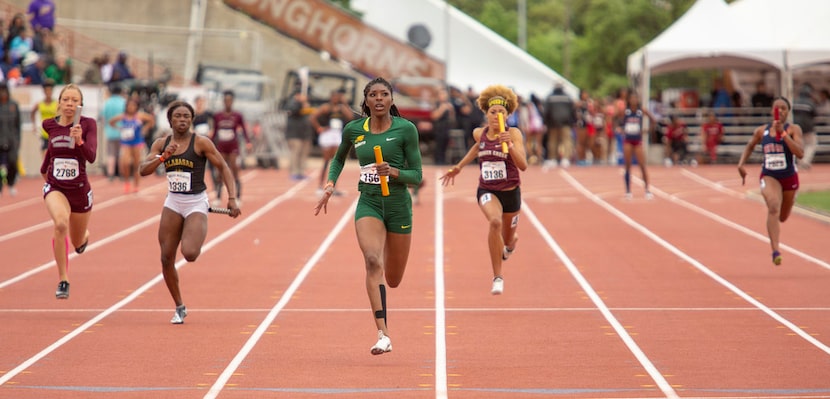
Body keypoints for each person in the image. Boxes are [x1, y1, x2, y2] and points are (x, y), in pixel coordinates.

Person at [313, 77, 422, 355]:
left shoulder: (406, 129)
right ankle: (383, 333)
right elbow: (338, 159)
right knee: (373, 261)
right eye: (373, 94)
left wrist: (395, 172)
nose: (379, 99)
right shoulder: (353, 130)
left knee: (394, 278)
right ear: (367, 100)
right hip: (369, 203)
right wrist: (329, 185)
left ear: (391, 99)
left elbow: (418, 176)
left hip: (398, 205)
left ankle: (388, 265)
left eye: (384, 94)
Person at [139, 100, 241, 324]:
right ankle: (179, 306)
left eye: (186, 116)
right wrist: (163, 157)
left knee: (190, 253)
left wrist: (231, 198)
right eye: (178, 116)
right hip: (173, 202)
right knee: (166, 257)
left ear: (192, 120)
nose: (182, 120)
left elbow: (223, 166)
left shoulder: (201, 143)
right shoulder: (161, 143)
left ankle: (192, 229)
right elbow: (143, 170)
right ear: (170, 120)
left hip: (196, 202)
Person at [440, 85, 527, 296]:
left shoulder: (513, 134)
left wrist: (511, 146)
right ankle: (497, 277)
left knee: (507, 238)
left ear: (507, 116)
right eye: (493, 112)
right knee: (494, 222)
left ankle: (511, 243)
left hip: (511, 193)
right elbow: (476, 148)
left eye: (502, 112)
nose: (497, 115)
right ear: (486, 114)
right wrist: (458, 167)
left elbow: (523, 165)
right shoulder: (480, 133)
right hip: (488, 190)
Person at [40, 84, 96, 299]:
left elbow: (91, 156)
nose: (70, 104)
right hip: (56, 187)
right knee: (60, 223)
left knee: (77, 241)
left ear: (80, 105)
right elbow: (52, 152)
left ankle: (84, 237)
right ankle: (63, 280)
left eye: (74, 100)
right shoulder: (49, 125)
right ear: (60, 103)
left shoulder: (88, 124)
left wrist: (80, 140)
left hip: (80, 190)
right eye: (66, 99)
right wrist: (45, 173)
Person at [737, 97, 804, 266]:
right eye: (777, 108)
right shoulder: (762, 131)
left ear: (788, 112)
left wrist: (783, 134)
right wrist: (741, 164)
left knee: (782, 217)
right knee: (773, 207)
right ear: (771, 111)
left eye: (783, 108)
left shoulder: (793, 129)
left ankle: (790, 198)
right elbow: (750, 145)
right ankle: (775, 250)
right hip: (769, 175)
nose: (780, 111)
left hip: (789, 177)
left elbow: (800, 153)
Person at [211, 90, 251, 206]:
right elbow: (215, 132)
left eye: (230, 101)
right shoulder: (218, 116)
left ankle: (237, 197)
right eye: (226, 100)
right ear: (223, 101)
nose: (228, 103)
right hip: (221, 147)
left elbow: (243, 129)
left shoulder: (237, 116)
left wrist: (248, 142)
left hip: (233, 146)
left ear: (232, 102)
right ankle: (218, 197)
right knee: (220, 172)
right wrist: (210, 143)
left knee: (234, 170)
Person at [310, 88, 353, 195]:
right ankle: (320, 186)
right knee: (326, 161)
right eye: (334, 97)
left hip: (337, 134)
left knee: (336, 161)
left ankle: (333, 186)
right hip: (327, 134)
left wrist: (345, 103)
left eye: (337, 97)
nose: (335, 99)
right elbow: (313, 117)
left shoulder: (341, 108)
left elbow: (350, 117)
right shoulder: (326, 107)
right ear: (331, 97)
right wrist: (319, 128)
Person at [109, 98, 154, 193]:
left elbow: (151, 119)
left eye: (133, 106)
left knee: (136, 164)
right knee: (125, 163)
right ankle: (126, 182)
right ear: (126, 107)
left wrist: (145, 129)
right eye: (129, 106)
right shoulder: (123, 116)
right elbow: (111, 121)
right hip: (126, 143)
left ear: (136, 107)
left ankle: (136, 185)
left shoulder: (139, 116)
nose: (131, 107)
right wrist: (119, 128)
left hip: (137, 142)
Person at [617, 91, 656, 199]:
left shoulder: (641, 111)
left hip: (637, 140)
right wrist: (620, 129)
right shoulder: (626, 111)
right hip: (628, 140)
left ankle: (647, 190)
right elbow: (615, 118)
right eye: (632, 98)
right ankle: (628, 191)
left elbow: (653, 120)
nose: (634, 100)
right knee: (628, 166)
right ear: (629, 100)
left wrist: (646, 131)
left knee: (642, 165)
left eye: (636, 98)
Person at [542, 83, 575, 169]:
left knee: (553, 141)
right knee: (567, 141)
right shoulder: (568, 97)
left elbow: (546, 111)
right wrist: (572, 122)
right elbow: (572, 110)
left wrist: (546, 122)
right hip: (566, 123)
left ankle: (553, 159)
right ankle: (566, 159)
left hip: (553, 123)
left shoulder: (550, 97)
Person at [283, 90, 313, 180]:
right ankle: (294, 172)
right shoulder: (292, 103)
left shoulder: (306, 104)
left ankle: (301, 172)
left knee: (303, 154)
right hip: (294, 134)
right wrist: (300, 102)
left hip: (305, 134)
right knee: (295, 154)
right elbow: (294, 110)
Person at [100, 84, 126, 180]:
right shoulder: (123, 102)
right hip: (122, 131)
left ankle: (111, 174)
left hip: (110, 131)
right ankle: (120, 173)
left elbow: (103, 117)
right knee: (121, 153)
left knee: (111, 153)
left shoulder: (107, 102)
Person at [0, 83, 21, 197]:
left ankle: (11, 184)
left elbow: (18, 125)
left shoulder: (13, 105)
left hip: (12, 140)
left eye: (4, 90)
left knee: (12, 163)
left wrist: (18, 141)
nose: (3, 93)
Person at [791, 84, 817, 170]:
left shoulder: (795, 101)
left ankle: (800, 162)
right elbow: (814, 114)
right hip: (808, 127)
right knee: (811, 144)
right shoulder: (810, 103)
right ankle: (805, 162)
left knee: (799, 144)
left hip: (797, 127)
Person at [31, 80, 57, 158]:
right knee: (45, 154)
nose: (48, 92)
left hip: (54, 133)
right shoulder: (39, 104)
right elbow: (33, 113)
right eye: (46, 90)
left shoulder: (57, 104)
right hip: (44, 133)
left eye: (50, 90)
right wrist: (34, 125)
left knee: (54, 154)